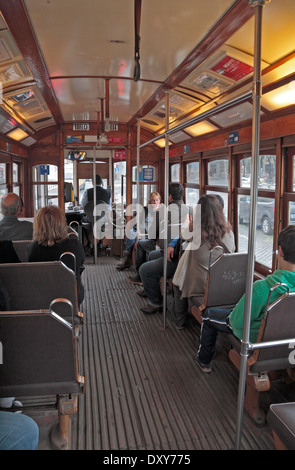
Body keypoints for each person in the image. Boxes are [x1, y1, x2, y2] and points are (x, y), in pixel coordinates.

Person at [195, 224, 295, 373]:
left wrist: (236, 311)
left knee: (209, 316)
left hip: (258, 343)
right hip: (287, 342)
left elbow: (236, 322)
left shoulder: (263, 288)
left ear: (280, 251)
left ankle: (204, 360)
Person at [170, 194, 235, 329]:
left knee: (177, 283)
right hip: (222, 283)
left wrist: (190, 222)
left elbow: (183, 234)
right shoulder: (229, 233)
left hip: (201, 286)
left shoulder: (197, 233)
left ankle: (179, 321)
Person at [137, 183, 189, 314]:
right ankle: (151, 288)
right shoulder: (190, 210)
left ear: (170, 196)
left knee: (144, 269)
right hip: (186, 255)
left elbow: (153, 236)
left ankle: (156, 302)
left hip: (173, 257)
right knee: (152, 255)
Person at [27, 205, 85, 306]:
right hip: (71, 297)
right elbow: (80, 264)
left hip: (41, 298)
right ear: (62, 223)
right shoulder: (74, 245)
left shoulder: (32, 249)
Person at [117, 191, 161, 271]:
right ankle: (126, 257)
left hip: (151, 233)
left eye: (156, 200)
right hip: (142, 229)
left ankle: (131, 263)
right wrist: (139, 231)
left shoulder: (161, 211)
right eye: (153, 200)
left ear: (159, 201)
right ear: (150, 201)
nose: (155, 202)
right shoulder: (145, 209)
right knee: (131, 233)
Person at [81, 175, 111, 252]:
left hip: (90, 218)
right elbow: (108, 208)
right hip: (101, 218)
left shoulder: (87, 192)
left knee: (83, 221)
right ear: (101, 182)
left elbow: (83, 205)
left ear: (92, 183)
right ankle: (100, 242)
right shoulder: (108, 193)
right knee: (104, 221)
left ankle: (89, 242)